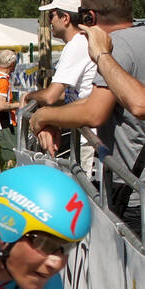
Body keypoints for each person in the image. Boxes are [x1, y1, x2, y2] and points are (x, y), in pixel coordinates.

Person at [30, 0, 145, 224]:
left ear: (89, 18)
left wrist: (43, 116)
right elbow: (95, 101)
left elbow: (94, 112)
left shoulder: (115, 46)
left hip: (132, 189)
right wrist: (52, 116)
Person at [23, 1, 96, 175]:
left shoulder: (76, 44)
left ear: (65, 18)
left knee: (87, 194)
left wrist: (28, 96)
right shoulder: (82, 41)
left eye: (51, 16)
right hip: (85, 134)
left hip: (89, 138)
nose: (49, 22)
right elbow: (66, 94)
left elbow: (51, 96)